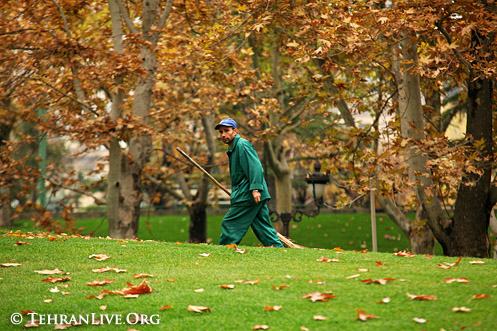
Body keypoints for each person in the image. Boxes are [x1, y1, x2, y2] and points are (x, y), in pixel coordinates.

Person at [215, 118, 284, 248]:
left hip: (248, 195)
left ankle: (223, 250)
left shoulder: (242, 145)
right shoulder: (233, 149)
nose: (223, 135)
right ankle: (278, 249)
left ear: (235, 131)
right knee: (262, 228)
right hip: (249, 194)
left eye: (227, 131)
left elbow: (256, 167)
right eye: (221, 132)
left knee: (230, 223)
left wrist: (255, 189)